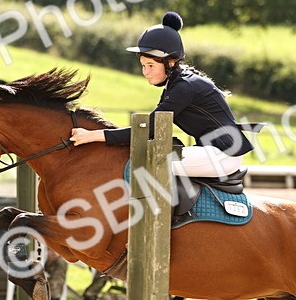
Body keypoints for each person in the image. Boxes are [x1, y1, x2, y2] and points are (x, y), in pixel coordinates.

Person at [69, 11, 257, 179]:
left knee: (152, 160)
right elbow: (151, 128)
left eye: (151, 66)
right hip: (212, 151)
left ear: (171, 62)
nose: (145, 72)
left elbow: (148, 128)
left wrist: (92, 136)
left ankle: (165, 210)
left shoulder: (184, 88)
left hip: (224, 154)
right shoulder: (175, 84)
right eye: (143, 65)